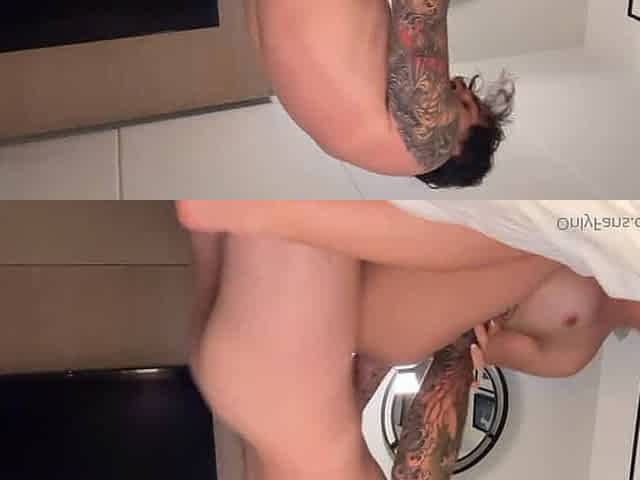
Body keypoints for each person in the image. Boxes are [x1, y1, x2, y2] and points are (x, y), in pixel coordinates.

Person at [177, 201, 640, 480]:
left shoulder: (574, 342)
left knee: (270, 210)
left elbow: (472, 355)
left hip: (278, 387)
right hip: (261, 386)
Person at [244, 0, 515, 187]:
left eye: (467, 106)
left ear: (456, 150)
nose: (459, 86)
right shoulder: (345, 137)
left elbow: (422, 8)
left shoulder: (432, 148)